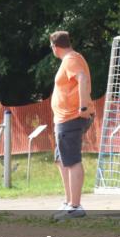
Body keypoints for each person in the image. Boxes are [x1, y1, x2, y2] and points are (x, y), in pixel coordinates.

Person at [49, 30, 94, 219]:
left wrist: (83, 106)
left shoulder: (70, 59)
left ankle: (75, 206)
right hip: (64, 119)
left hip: (71, 118)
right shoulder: (71, 58)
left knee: (72, 160)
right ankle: (69, 202)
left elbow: (82, 78)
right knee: (61, 159)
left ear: (55, 47)